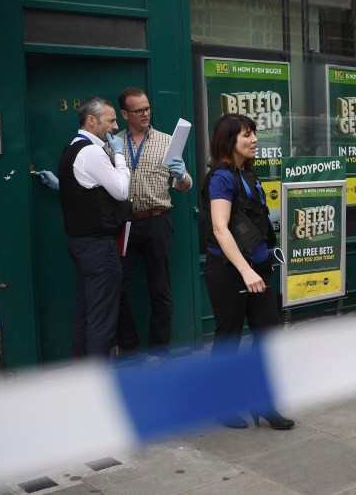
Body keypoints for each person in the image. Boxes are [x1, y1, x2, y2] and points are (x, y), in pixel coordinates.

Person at [199, 113, 293, 430]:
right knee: (228, 338)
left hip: (258, 267)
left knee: (266, 334)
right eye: (246, 135)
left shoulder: (249, 175)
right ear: (229, 142)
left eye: (254, 133)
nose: (254, 140)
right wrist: (245, 271)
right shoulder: (221, 177)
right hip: (229, 271)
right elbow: (220, 228)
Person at [114, 87, 191, 358]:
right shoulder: (113, 143)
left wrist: (181, 177)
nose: (146, 113)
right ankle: (130, 347)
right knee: (116, 287)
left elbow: (184, 185)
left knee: (160, 289)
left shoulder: (167, 141)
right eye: (139, 110)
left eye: (147, 108)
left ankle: (159, 350)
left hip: (157, 221)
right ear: (124, 114)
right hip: (124, 224)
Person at [57, 97, 132, 357]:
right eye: (110, 121)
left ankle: (82, 376)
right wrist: (120, 155)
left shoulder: (70, 149)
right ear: (92, 120)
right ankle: (97, 379)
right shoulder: (91, 151)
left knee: (85, 311)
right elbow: (122, 191)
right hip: (99, 247)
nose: (114, 127)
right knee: (101, 317)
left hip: (79, 243)